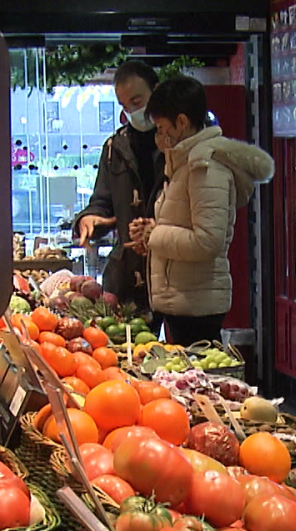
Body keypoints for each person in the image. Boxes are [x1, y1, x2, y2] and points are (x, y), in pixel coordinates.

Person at [126, 76, 274, 347]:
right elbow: (179, 223)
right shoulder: (182, 164)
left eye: (160, 128)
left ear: (181, 122)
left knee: (201, 383)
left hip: (196, 306)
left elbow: (207, 241)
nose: (158, 136)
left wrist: (155, 235)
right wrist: (150, 233)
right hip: (181, 300)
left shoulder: (206, 168)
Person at [72, 60, 166, 317]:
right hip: (126, 276)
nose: (133, 112)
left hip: (174, 271)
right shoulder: (115, 148)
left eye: (138, 102)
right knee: (127, 350)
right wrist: (89, 218)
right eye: (125, 106)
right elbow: (101, 202)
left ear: (156, 92)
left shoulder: (176, 145)